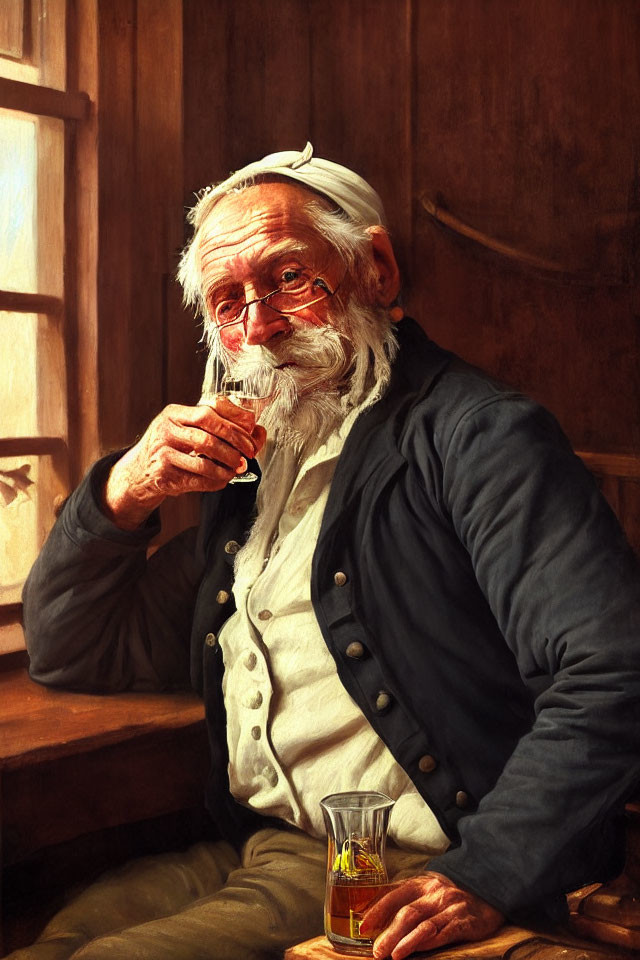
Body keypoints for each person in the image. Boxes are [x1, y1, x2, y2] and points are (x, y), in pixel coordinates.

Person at [14, 143, 640, 960]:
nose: (260, 326)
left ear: (375, 268)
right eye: (228, 301)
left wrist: (485, 873)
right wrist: (124, 490)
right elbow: (73, 652)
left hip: (409, 858)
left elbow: (617, 668)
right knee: (55, 939)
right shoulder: (254, 463)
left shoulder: (480, 437)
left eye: (288, 280)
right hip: (266, 843)